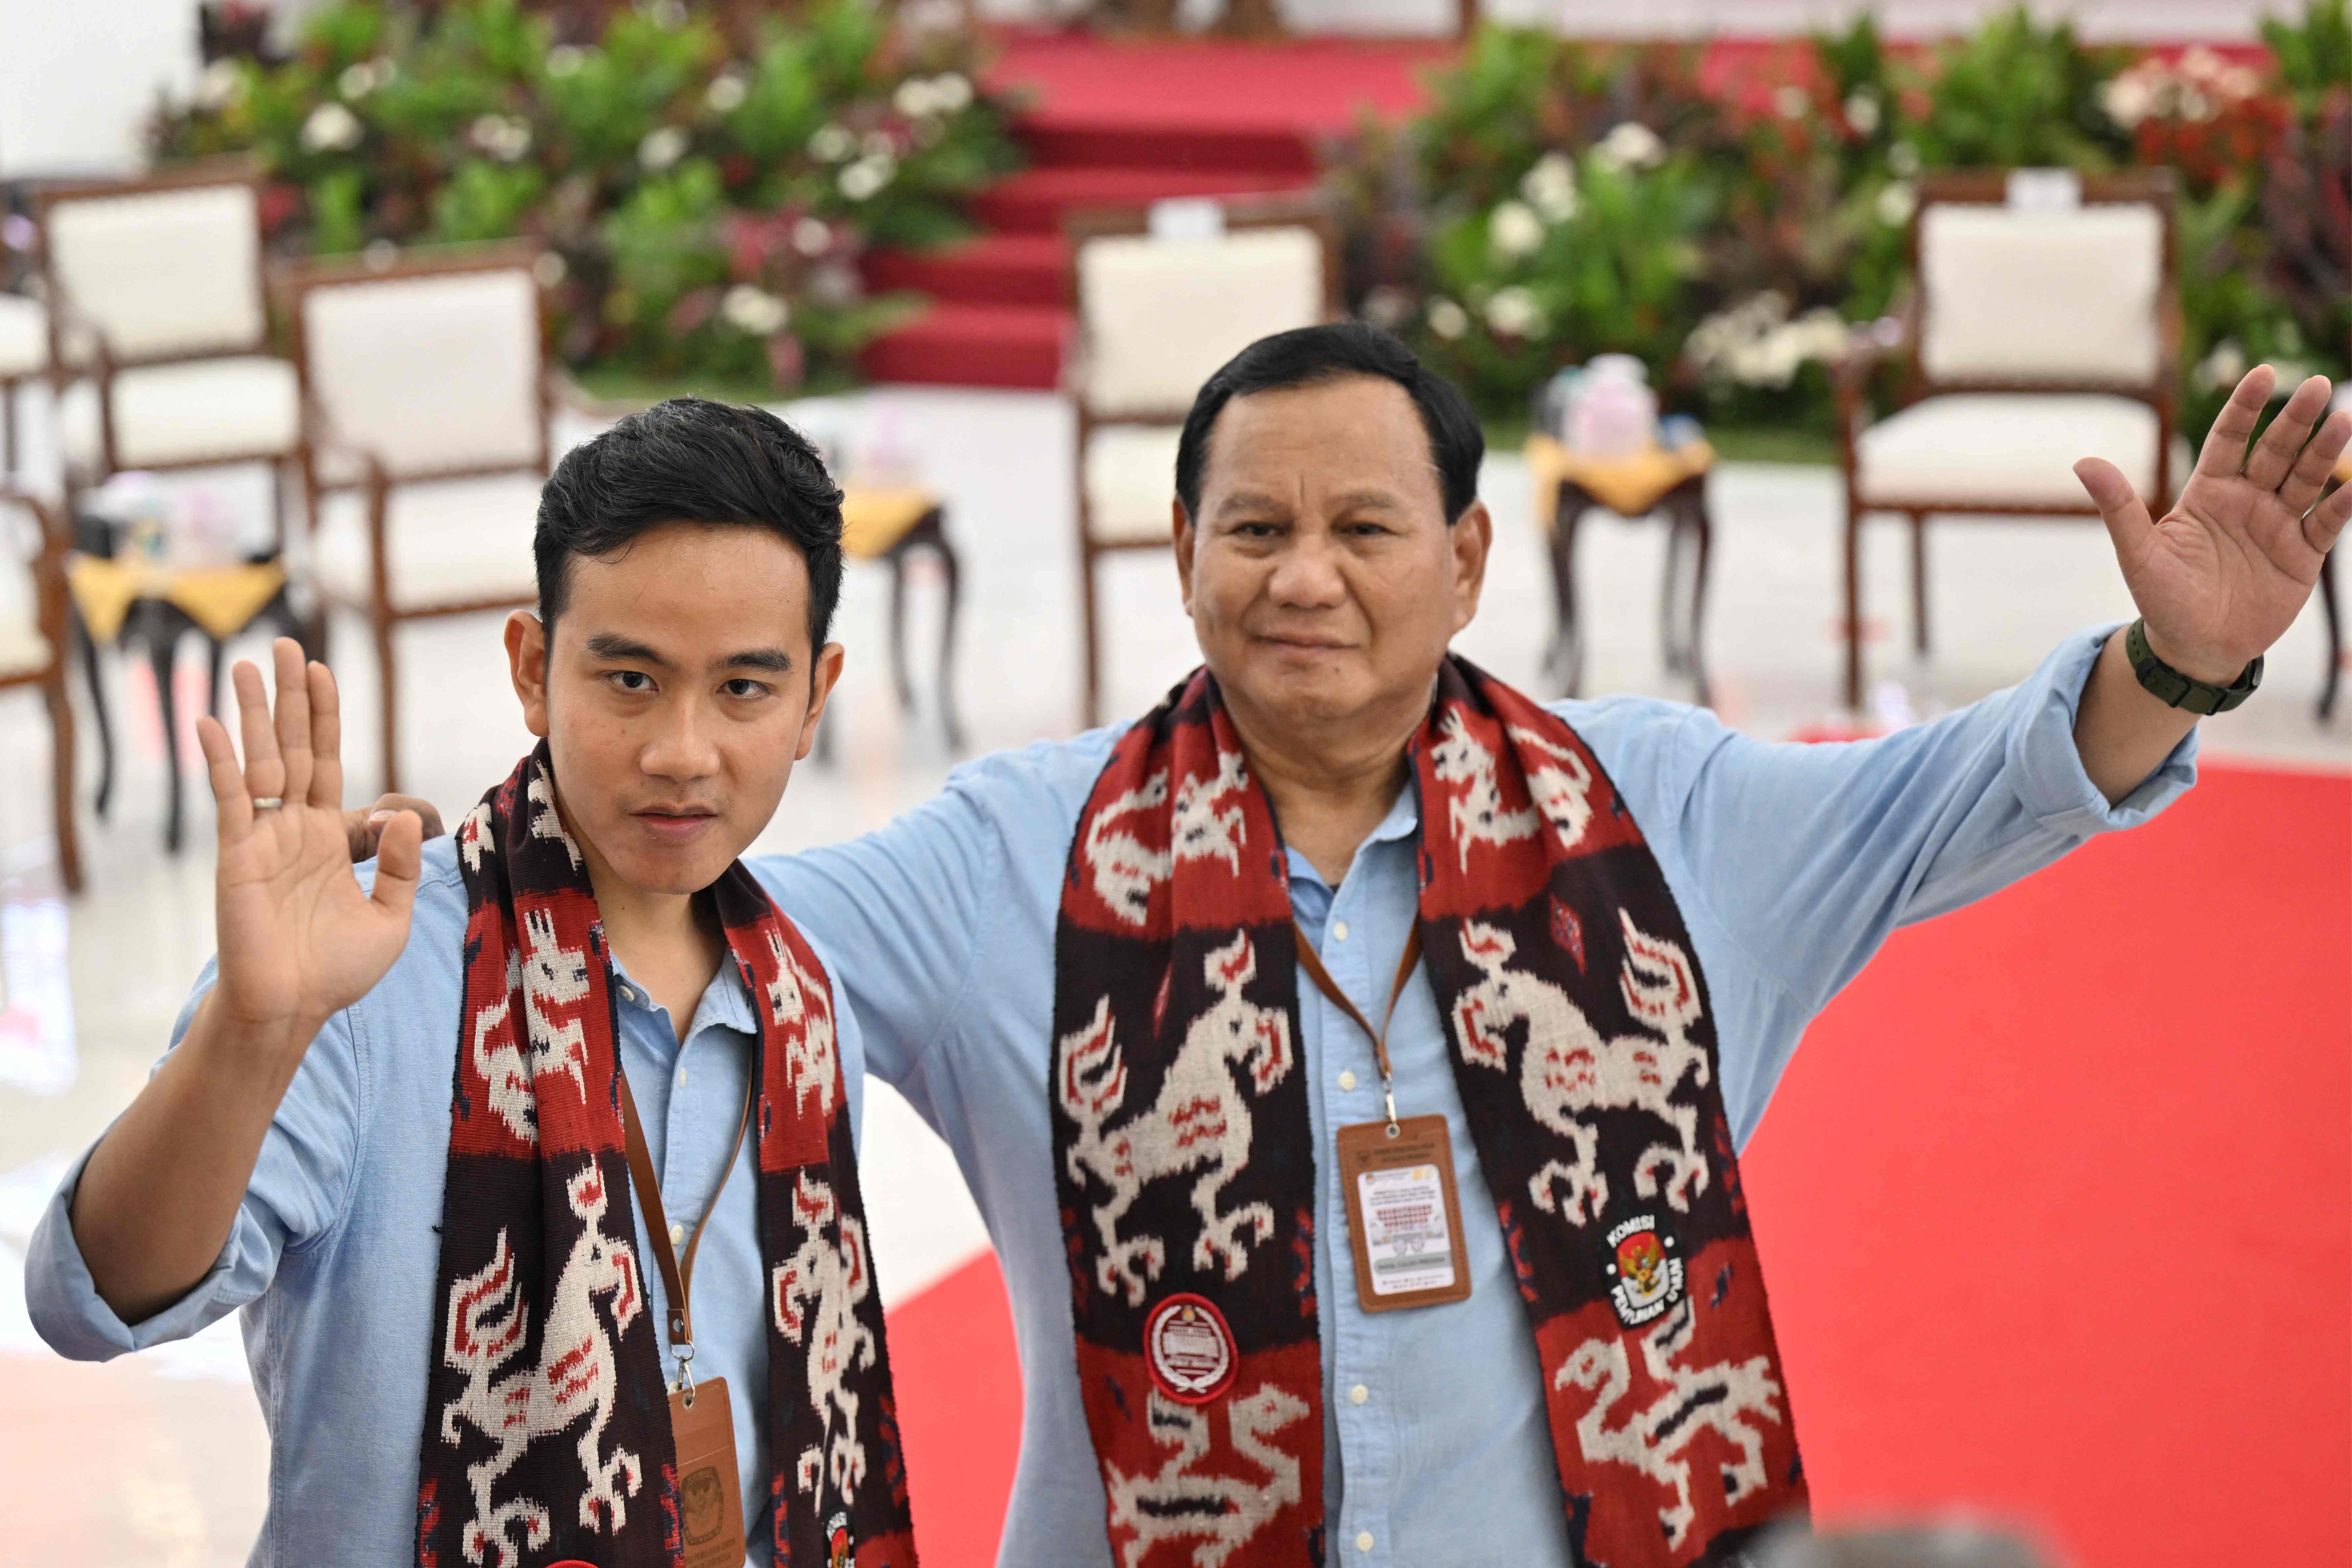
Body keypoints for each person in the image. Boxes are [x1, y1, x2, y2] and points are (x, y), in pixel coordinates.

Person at [753, 323, 2350, 1568]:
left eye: (1364, 526)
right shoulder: (1010, 857)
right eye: (1255, 526)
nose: (1304, 575)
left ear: (1464, 561)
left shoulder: (1659, 814)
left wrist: (2181, 661)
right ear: (1183, 555)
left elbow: (1976, 786)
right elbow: (685, 952)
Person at [27, 400, 921, 1568]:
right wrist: (255, 1029)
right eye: (632, 680)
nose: (682, 751)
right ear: (533, 666)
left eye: (744, 689)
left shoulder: (803, 1000)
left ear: (816, 697)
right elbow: (90, 1296)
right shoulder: (375, 974)